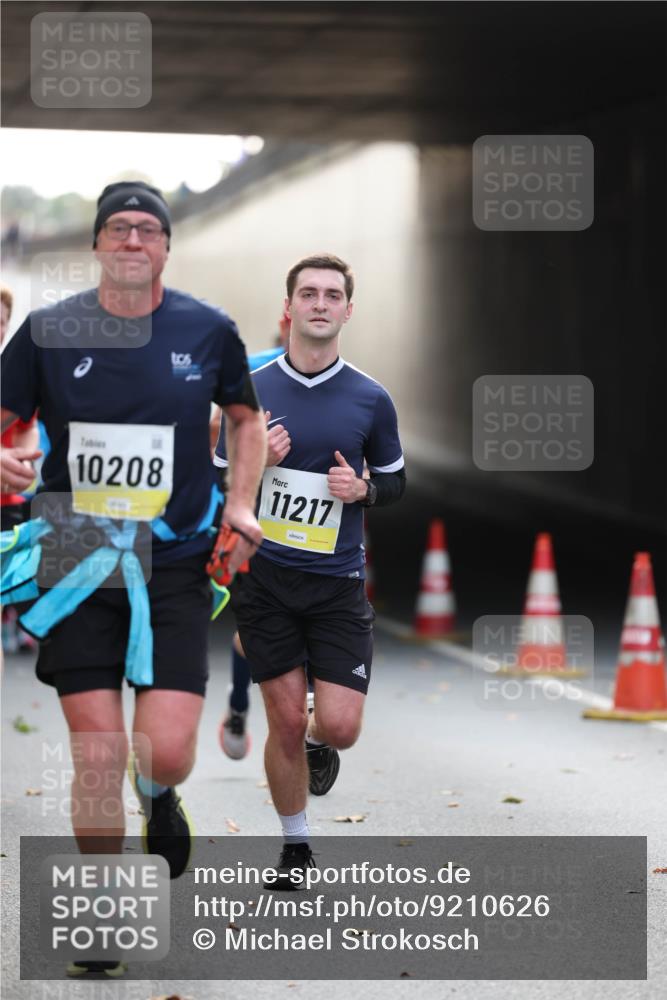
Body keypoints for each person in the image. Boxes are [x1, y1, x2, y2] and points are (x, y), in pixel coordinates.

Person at [0, 181, 266, 975]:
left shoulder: (207, 329)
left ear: (165, 248)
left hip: (175, 560)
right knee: (96, 753)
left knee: (165, 752)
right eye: (117, 228)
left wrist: (241, 503)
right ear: (96, 243)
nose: (132, 241)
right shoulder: (47, 332)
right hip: (74, 554)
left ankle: (159, 796)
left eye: (148, 230)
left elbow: (245, 419)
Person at [215, 253, 406, 887]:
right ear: (288, 307)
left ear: (348, 310)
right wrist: (257, 464)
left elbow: (396, 480)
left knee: (340, 727)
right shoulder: (248, 389)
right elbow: (214, 480)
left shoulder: (371, 398)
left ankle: (322, 744)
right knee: (285, 720)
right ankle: (295, 848)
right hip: (265, 578)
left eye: (331, 295)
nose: (320, 303)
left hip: (337, 583)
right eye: (308, 293)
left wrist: (364, 491)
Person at [217, 312, 291, 760]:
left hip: (312, 532)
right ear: (285, 321)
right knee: (254, 631)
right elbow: (215, 430)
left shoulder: (342, 379)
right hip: (256, 519)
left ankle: (309, 726)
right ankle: (240, 705)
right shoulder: (256, 370)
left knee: (311, 625)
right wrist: (256, 450)